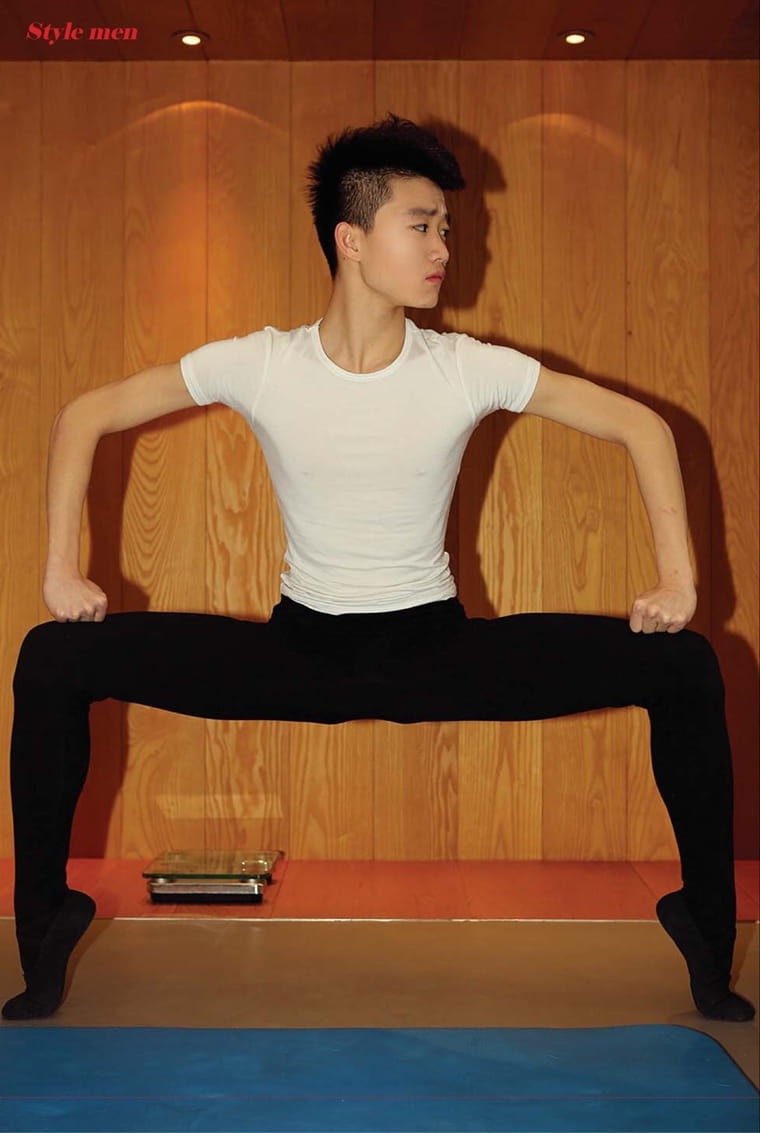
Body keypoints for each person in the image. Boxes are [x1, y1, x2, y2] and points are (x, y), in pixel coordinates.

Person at [2, 114, 754, 1024]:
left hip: (434, 650)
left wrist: (678, 581)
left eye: (447, 229)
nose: (444, 249)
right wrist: (61, 567)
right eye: (422, 225)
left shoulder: (464, 367)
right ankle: (44, 930)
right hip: (300, 651)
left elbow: (642, 425)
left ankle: (704, 933)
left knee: (683, 664)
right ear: (351, 239)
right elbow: (82, 415)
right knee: (53, 655)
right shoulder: (262, 362)